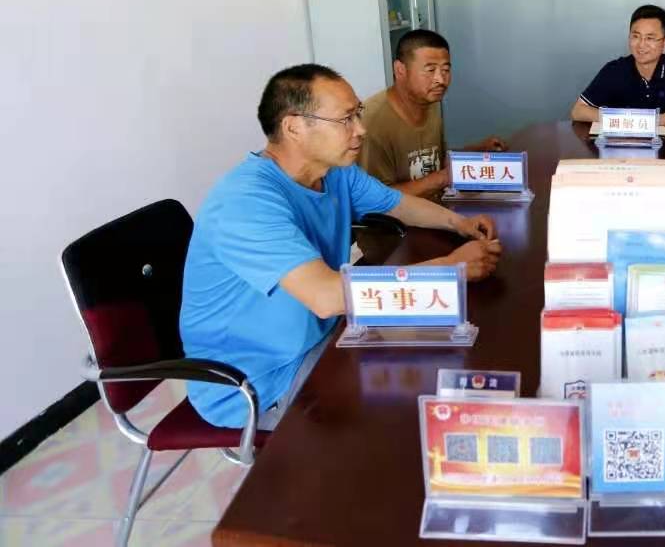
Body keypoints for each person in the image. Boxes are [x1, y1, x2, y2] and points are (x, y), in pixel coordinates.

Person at [180, 64, 503, 430]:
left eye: (358, 114)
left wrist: (458, 223)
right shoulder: (245, 202)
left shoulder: (334, 172)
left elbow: (396, 204)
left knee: (450, 354)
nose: (360, 129)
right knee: (409, 413)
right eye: (346, 119)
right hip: (260, 381)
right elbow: (326, 297)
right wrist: (452, 268)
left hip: (328, 334)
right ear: (294, 127)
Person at [360, 30, 506, 199]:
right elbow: (375, 199)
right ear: (400, 70)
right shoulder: (372, 122)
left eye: (445, 70)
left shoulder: (429, 101)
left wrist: (478, 149)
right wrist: (443, 178)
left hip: (435, 207)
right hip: (402, 216)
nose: (440, 80)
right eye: (430, 70)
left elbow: (433, 160)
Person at [570, 4, 665, 126]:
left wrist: (649, 121)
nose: (641, 45)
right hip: (621, 143)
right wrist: (623, 120)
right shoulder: (615, 69)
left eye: (650, 38)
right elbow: (578, 111)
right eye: (636, 36)